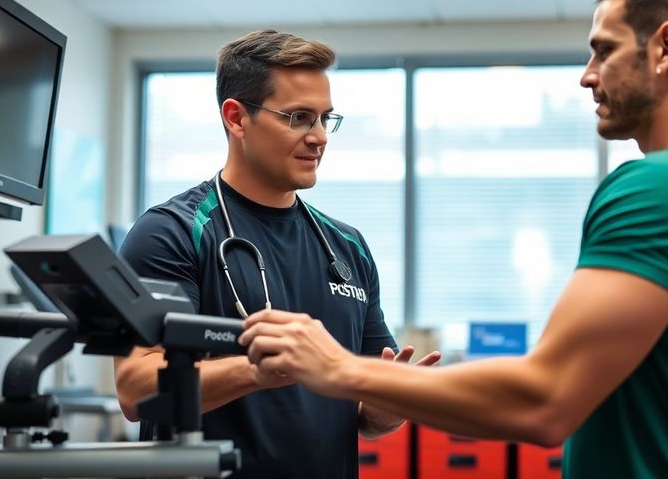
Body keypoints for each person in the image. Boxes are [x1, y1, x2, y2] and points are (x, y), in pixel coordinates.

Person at [238, 0, 668, 477]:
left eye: (603, 51)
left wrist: (336, 367)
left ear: (666, 46)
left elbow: (544, 399)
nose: (587, 76)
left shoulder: (667, 185)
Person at [113, 29, 439, 479]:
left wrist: (389, 405)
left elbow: (367, 412)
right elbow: (137, 389)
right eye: (299, 117)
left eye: (326, 118)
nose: (319, 137)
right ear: (236, 117)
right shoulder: (170, 233)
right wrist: (261, 370)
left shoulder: (347, 247)